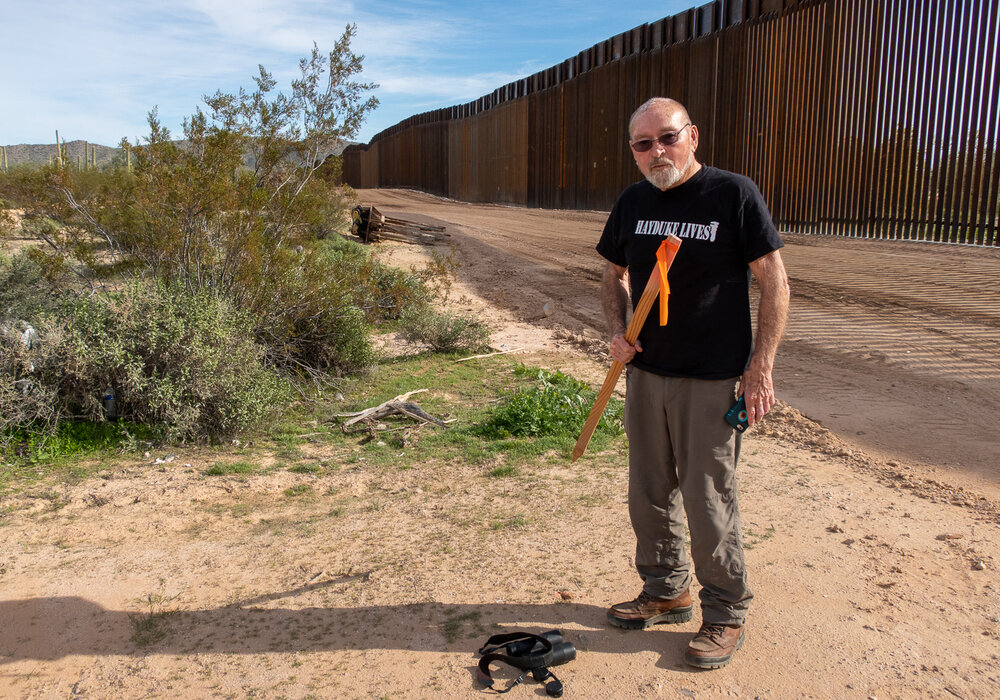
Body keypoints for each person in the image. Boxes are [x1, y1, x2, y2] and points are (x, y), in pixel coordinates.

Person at [596, 97, 789, 669]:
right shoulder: (632, 201)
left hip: (712, 378)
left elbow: (774, 281)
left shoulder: (732, 194)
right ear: (632, 151)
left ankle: (726, 612)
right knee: (649, 491)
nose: (658, 151)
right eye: (643, 143)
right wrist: (617, 331)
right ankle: (665, 589)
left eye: (667, 137)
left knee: (709, 501)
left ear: (693, 136)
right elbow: (612, 274)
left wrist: (761, 366)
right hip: (647, 372)